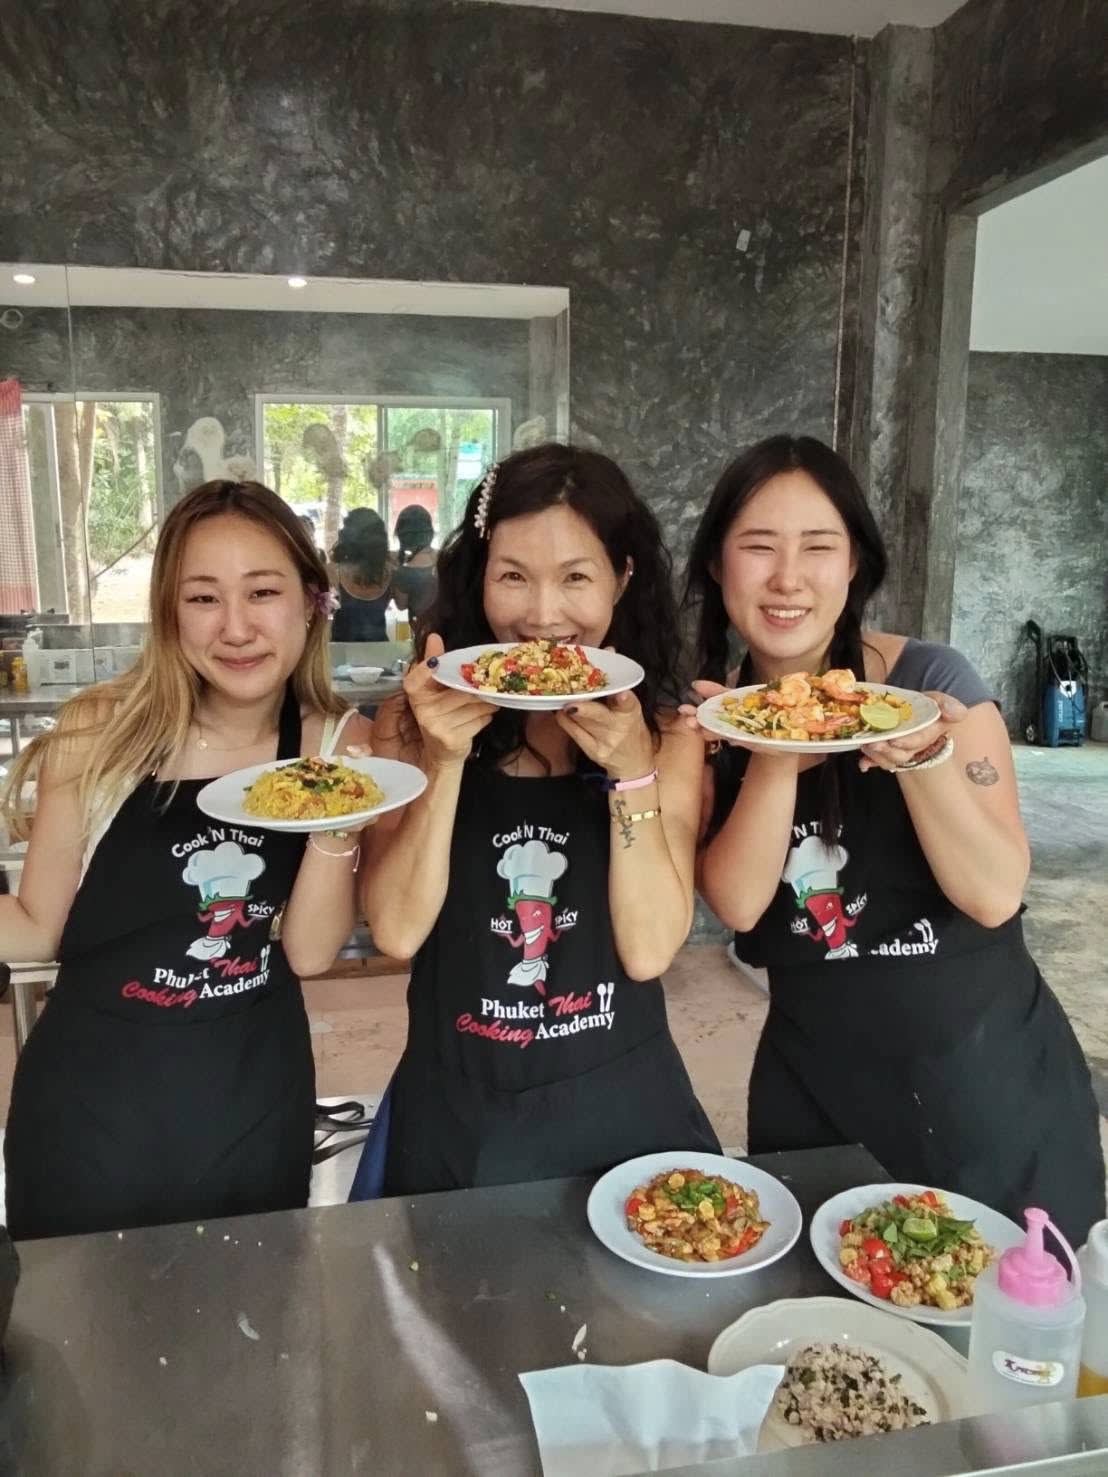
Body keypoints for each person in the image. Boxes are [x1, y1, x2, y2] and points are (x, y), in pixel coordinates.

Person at [685, 434, 1104, 1244]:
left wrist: (923, 761)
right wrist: (777, 747)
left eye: (819, 546)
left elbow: (994, 891)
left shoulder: (931, 684)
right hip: (817, 1097)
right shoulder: (717, 717)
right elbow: (738, 904)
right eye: (758, 546)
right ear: (716, 563)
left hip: (989, 1089)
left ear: (854, 564)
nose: (787, 578)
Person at [0, 480, 373, 1239]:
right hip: (87, 1116)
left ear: (311, 601)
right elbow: (38, 926)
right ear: (171, 612)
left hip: (250, 1108)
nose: (236, 628)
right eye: (203, 598)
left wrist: (339, 816)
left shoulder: (337, 743)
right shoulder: (100, 729)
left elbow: (308, 952)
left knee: (253, 1304)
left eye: (262, 592)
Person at [356, 443, 719, 1195]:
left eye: (576, 577)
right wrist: (444, 761)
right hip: (456, 1114)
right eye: (513, 576)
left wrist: (632, 773)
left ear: (622, 579)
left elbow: (650, 948)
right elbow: (395, 931)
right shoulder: (410, 722)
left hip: (621, 1110)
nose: (543, 616)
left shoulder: (669, 735)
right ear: (479, 577)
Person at [330, 507, 394, 642]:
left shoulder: (334, 570)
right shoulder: (391, 571)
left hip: (342, 647)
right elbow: (401, 604)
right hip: (379, 645)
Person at [391, 504, 437, 617]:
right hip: (450, 625)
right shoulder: (445, 557)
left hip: (421, 626)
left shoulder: (404, 572)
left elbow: (401, 606)